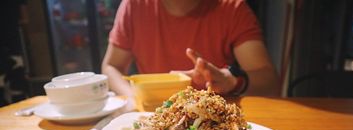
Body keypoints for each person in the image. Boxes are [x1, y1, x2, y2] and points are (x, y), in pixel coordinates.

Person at [102, 0, 280, 104]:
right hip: (152, 112)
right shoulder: (134, 5)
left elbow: (269, 81)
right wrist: (134, 97)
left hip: (212, 119)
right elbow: (111, 66)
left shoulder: (232, 7)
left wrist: (230, 79)